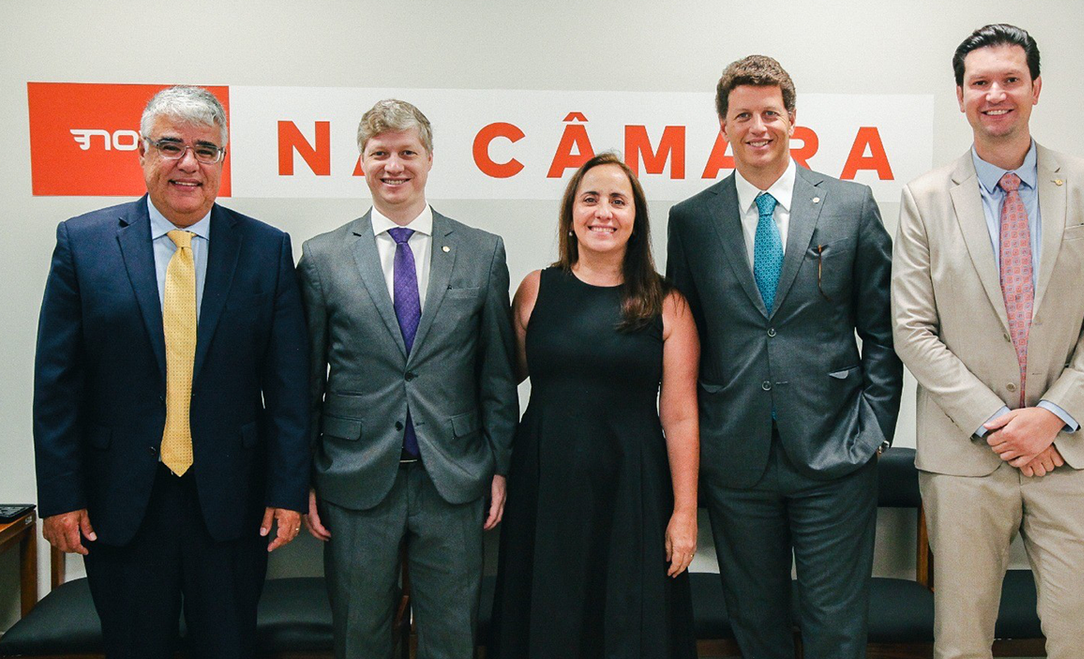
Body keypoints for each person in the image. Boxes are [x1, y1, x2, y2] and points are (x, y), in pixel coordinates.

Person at [32, 85, 310, 659]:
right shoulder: (83, 244)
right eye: (170, 146)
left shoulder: (264, 248)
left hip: (232, 503)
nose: (189, 163)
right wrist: (60, 496)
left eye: (206, 150)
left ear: (222, 161)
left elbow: (289, 389)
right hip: (121, 502)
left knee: (228, 647)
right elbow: (57, 385)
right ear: (140, 153)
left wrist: (286, 490)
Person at [892, 24, 1084, 659]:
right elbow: (913, 331)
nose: (995, 93)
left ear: (1036, 88)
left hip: (1071, 453)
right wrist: (1002, 424)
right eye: (980, 83)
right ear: (962, 95)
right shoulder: (922, 200)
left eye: (1010, 80)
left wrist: (1049, 418)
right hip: (966, 458)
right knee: (962, 639)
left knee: (1081, 635)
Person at [666, 55, 902, 659]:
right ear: (723, 126)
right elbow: (683, 345)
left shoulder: (851, 205)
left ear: (792, 118)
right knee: (756, 623)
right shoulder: (692, 220)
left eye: (770, 112)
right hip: (737, 457)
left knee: (835, 626)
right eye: (742, 115)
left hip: (835, 453)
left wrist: (873, 430)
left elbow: (883, 330)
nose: (758, 127)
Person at [298, 99, 518, 659]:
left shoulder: (481, 251)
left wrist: (499, 467)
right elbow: (302, 381)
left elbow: (495, 374)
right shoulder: (322, 258)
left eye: (406, 153)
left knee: (452, 635)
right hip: (353, 477)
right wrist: (301, 478)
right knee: (361, 634)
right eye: (380, 154)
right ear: (361, 162)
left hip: (453, 475)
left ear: (429, 159)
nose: (393, 165)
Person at [489, 152, 699, 659]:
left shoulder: (667, 303)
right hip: (545, 482)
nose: (603, 211)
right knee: (547, 614)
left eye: (618, 200)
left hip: (633, 487)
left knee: (627, 619)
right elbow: (499, 379)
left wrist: (685, 513)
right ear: (571, 215)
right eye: (590, 199)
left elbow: (680, 414)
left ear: (636, 218)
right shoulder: (536, 289)